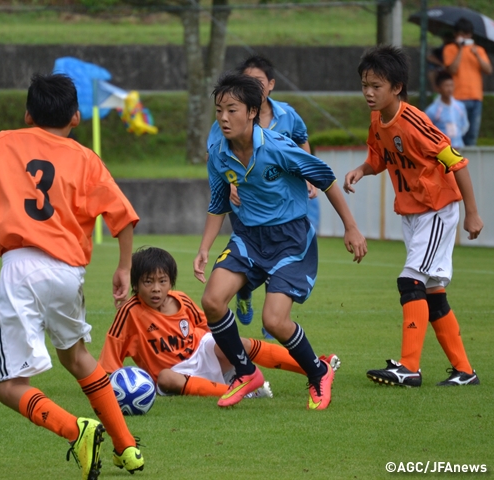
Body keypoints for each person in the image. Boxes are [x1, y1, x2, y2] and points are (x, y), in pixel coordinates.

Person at [0, 73, 145, 479]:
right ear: (75, 117)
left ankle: (77, 430)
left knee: (9, 387)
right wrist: (124, 266)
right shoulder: (86, 158)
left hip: (22, 267)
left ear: (27, 114)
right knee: (76, 357)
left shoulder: (5, 141)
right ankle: (126, 448)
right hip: (68, 271)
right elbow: (122, 216)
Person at [195, 72, 367, 410]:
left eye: (232, 110)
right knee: (212, 300)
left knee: (274, 321)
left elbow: (327, 179)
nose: (224, 118)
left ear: (252, 112)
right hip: (247, 238)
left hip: (290, 240)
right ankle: (246, 373)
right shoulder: (218, 152)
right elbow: (218, 202)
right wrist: (204, 248)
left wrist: (351, 227)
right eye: (219, 111)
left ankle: (318, 372)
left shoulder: (278, 147)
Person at [344, 45, 483, 388]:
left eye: (376, 86)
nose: (369, 93)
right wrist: (362, 169)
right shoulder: (378, 119)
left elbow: (457, 161)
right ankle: (465, 371)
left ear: (397, 87)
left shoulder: (415, 121)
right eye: (365, 85)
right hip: (413, 212)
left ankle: (409, 367)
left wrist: (472, 214)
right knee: (433, 292)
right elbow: (380, 157)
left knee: (410, 281)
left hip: (437, 209)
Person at [99, 246, 341, 398]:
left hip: (201, 353)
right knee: (164, 378)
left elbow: (210, 330)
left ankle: (315, 368)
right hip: (177, 373)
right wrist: (111, 386)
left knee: (237, 343)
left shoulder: (181, 300)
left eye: (162, 281)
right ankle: (236, 389)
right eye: (148, 282)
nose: (156, 289)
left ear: (171, 282)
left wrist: (225, 350)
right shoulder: (130, 312)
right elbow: (111, 360)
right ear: (135, 285)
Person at [206, 55, 318, 338]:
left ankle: (274, 315)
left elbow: (301, 139)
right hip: (246, 207)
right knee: (248, 253)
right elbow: (218, 159)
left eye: (259, 82)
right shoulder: (225, 123)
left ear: (270, 84)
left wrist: (308, 174)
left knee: (277, 254)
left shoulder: (286, 116)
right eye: (249, 81)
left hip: (282, 208)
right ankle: (245, 293)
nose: (224, 116)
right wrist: (230, 182)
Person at [443, 17, 492, 146]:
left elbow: (488, 70)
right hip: (458, 97)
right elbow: (452, 69)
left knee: (472, 136)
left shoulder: (478, 50)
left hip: (476, 97)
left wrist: (476, 54)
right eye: (462, 34)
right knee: (456, 136)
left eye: (467, 34)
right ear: (456, 35)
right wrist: (460, 49)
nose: (465, 37)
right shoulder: (450, 49)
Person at [425, 71, 469, 148]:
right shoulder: (432, 111)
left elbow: (464, 125)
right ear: (438, 88)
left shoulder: (460, 107)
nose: (449, 89)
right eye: (446, 86)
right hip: (442, 150)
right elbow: (427, 131)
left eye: (451, 85)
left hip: (459, 148)